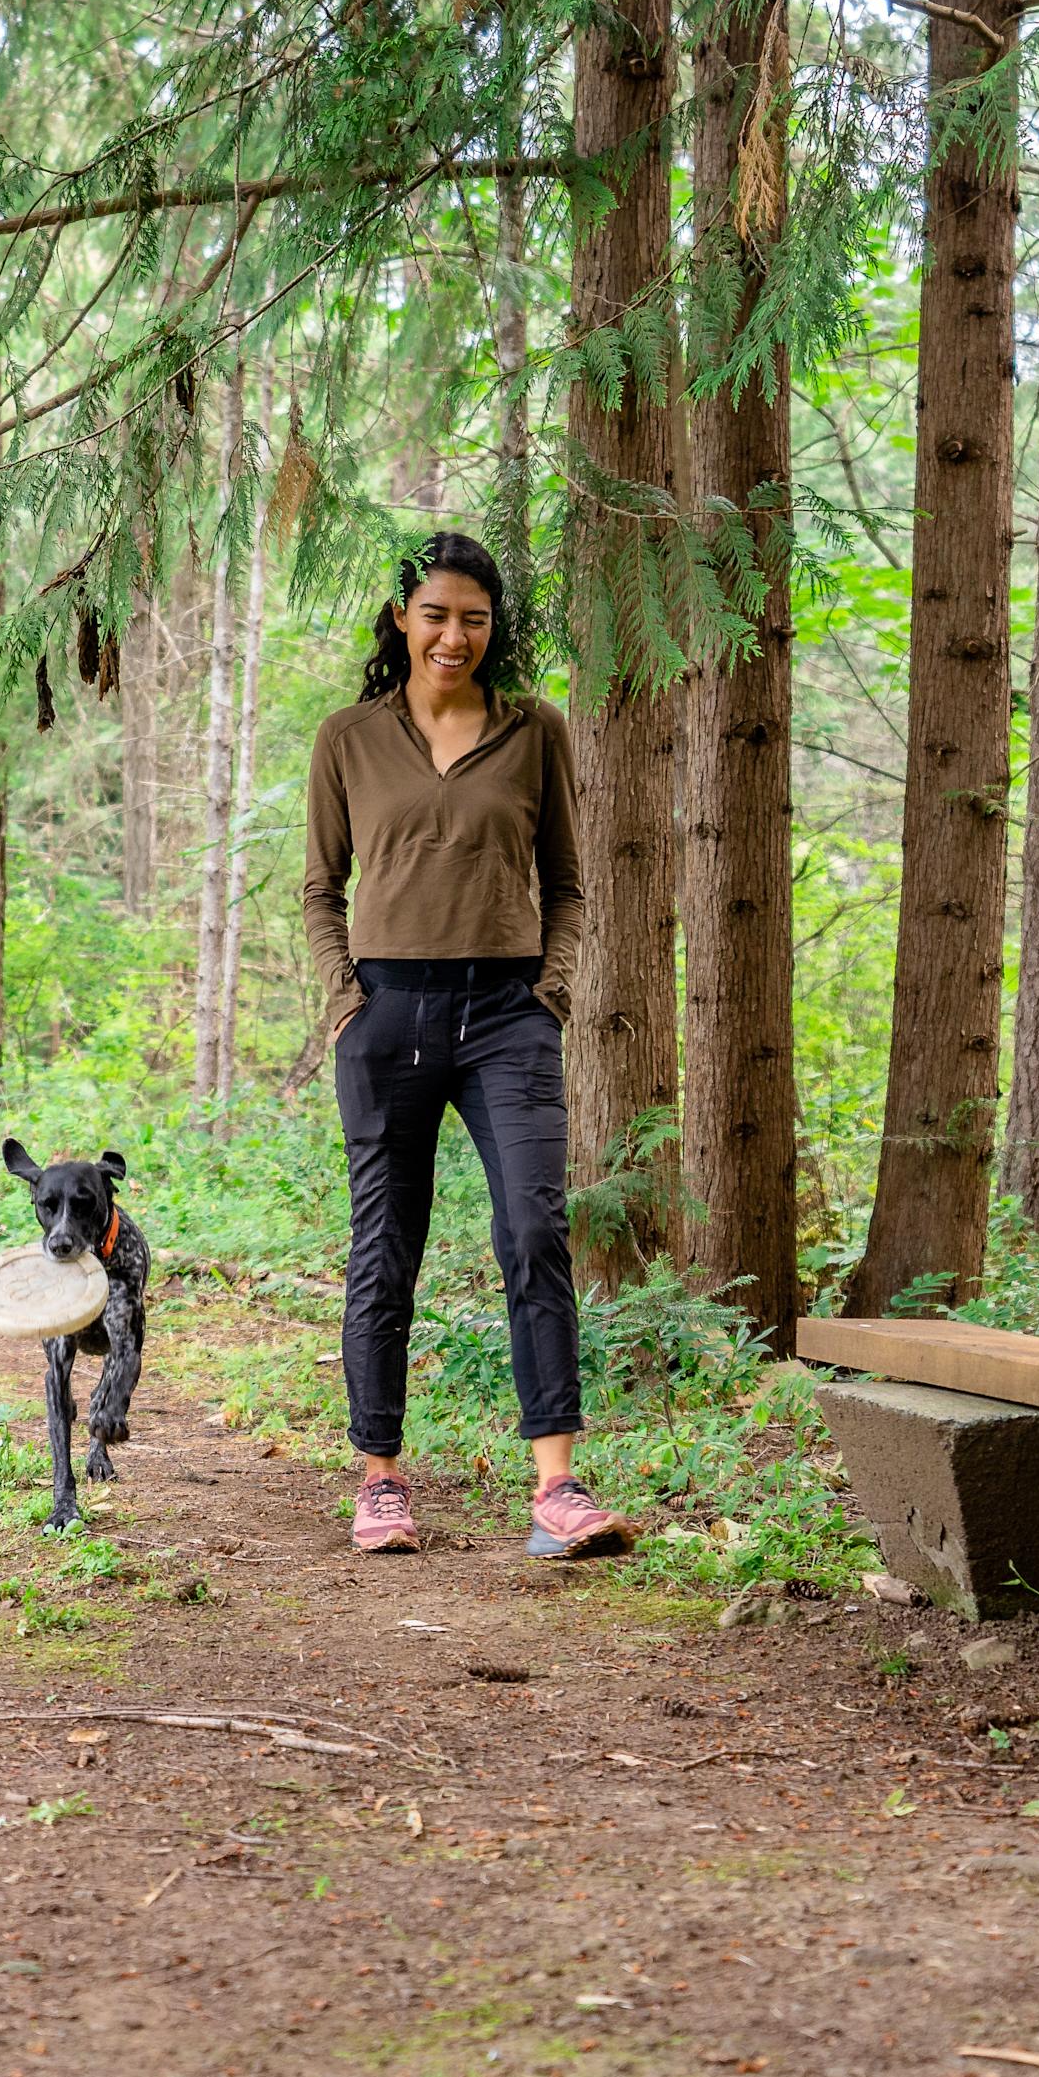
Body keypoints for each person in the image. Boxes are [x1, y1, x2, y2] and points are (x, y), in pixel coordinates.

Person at [299, 532, 631, 1562]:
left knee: (533, 1230)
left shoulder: (537, 731)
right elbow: (320, 888)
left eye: (475, 618)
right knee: (385, 1249)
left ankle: (557, 1485)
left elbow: (569, 882)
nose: (454, 635)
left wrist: (552, 991)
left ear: (494, 628)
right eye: (436, 613)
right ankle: (382, 1478)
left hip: (505, 1016)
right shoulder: (348, 737)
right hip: (387, 1012)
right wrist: (346, 998)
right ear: (402, 618)